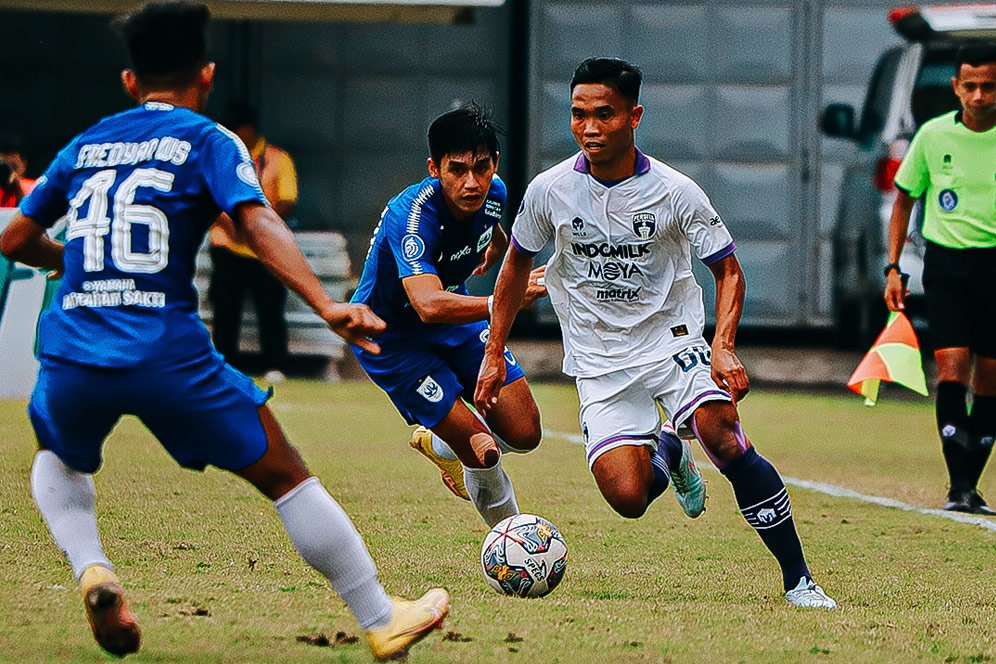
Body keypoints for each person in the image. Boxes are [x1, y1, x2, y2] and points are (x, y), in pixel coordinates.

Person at [0, 2, 448, 660]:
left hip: (73, 346)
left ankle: (93, 568)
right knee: (285, 473)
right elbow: (259, 224)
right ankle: (381, 618)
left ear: (130, 82)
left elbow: (15, 236)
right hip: (164, 349)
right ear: (205, 76)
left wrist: (79, 262)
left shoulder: (88, 143)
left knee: (58, 459)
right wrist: (326, 305)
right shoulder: (210, 140)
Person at [476, 57, 837, 609]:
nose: (590, 128)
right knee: (629, 497)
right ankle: (669, 449)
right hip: (599, 361)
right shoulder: (549, 191)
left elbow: (728, 268)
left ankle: (799, 580)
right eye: (578, 115)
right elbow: (516, 268)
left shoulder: (675, 191)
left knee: (723, 433)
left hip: (674, 344)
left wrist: (723, 347)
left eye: (604, 114)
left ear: (634, 115)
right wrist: (494, 351)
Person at [351, 103, 562, 529]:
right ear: (434, 168)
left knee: (525, 431)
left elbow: (494, 232)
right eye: (457, 169)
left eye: (482, 167)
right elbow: (427, 305)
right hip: (391, 341)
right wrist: (504, 299)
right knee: (484, 449)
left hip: (458, 320)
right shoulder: (410, 215)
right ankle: (515, 546)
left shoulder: (495, 192)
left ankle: (440, 444)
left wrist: (493, 251)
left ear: (494, 164)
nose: (472, 182)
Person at [884, 44, 996, 516]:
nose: (978, 95)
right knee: (952, 368)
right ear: (955, 87)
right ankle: (960, 486)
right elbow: (904, 200)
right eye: (969, 86)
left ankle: (968, 483)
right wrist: (894, 267)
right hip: (947, 266)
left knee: (989, 379)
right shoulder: (932, 137)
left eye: (988, 86)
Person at [208, 102, 296, 382]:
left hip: (265, 249)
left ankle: (274, 364)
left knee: (270, 306)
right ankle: (224, 363)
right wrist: (231, 223)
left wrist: (259, 227)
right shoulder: (219, 158)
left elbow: (286, 199)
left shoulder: (277, 158)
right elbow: (207, 196)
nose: (230, 133)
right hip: (227, 245)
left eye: (235, 128)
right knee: (225, 307)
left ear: (249, 129)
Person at [0, 133, 37, 207]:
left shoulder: (35, 188)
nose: (8, 172)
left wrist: (18, 188)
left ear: (24, 164)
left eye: (13, 167)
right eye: (2, 168)